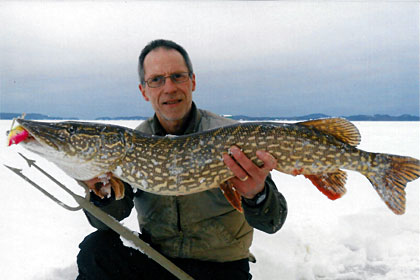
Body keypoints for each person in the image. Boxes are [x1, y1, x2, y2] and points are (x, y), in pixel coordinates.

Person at [76, 39, 288, 280]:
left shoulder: (234, 137)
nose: (169, 88)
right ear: (144, 90)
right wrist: (102, 193)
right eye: (156, 80)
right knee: (96, 250)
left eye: (177, 76)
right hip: (157, 262)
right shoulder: (132, 144)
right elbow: (107, 220)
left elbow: (273, 221)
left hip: (221, 269)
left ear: (193, 81)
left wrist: (257, 195)